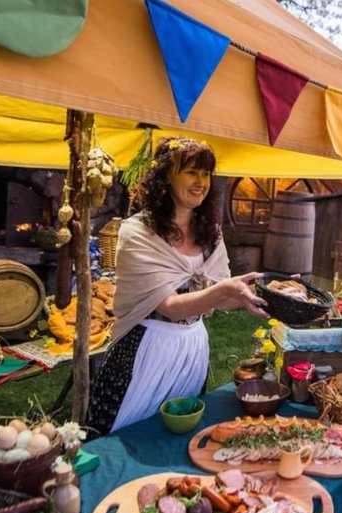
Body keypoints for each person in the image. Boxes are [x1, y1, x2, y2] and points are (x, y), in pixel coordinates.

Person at [85, 137, 268, 437]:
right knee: (121, 437)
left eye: (205, 174)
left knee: (181, 434)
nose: (200, 182)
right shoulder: (138, 232)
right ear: (167, 175)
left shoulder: (209, 232)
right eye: (191, 172)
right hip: (145, 349)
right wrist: (225, 290)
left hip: (192, 348)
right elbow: (169, 306)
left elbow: (222, 298)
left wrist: (264, 294)